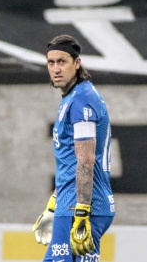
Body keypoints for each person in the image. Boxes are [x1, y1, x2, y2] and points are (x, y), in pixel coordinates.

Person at [33, 34, 115, 261]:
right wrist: (52, 205)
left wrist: (81, 212)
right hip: (73, 204)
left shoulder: (81, 100)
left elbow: (86, 160)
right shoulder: (76, 97)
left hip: (79, 208)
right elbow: (71, 164)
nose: (56, 68)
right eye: (51, 62)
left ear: (77, 64)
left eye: (62, 61)